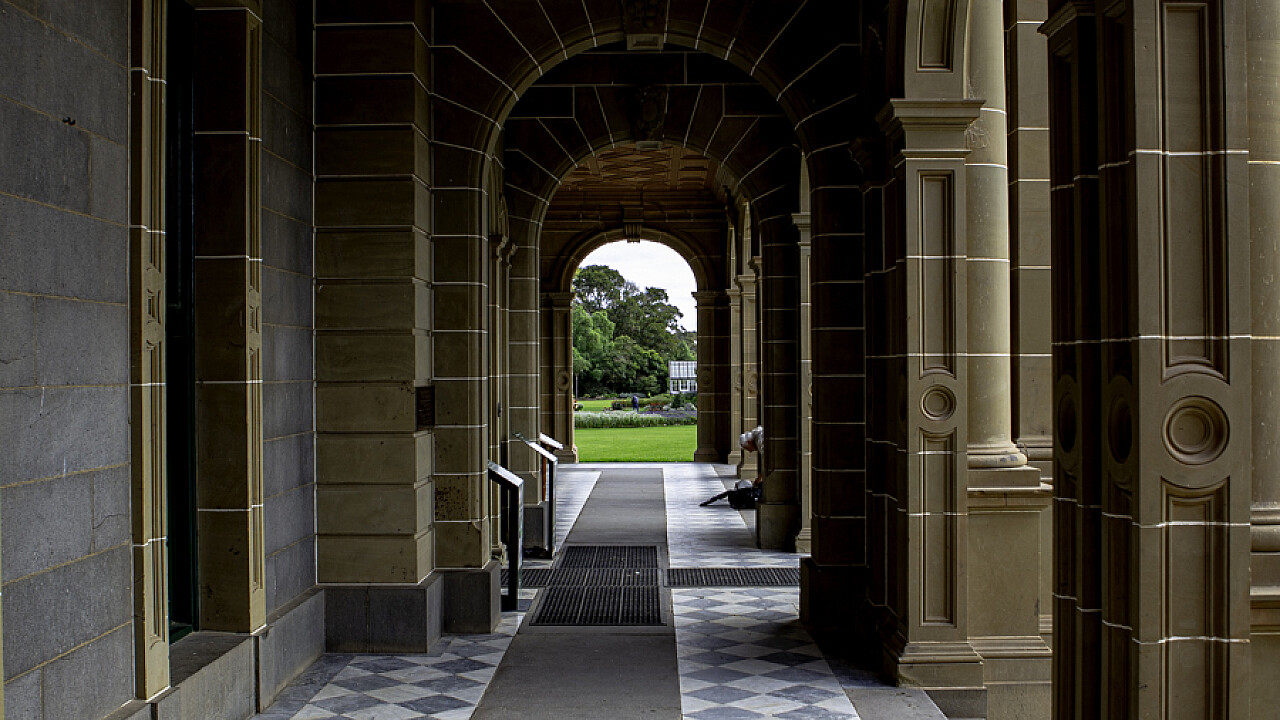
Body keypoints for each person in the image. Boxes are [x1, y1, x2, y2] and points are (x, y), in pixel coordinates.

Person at [699, 426, 764, 507]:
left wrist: (760, 478)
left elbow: (769, 463)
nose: (750, 451)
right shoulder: (759, 440)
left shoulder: (760, 441)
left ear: (749, 441)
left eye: (748, 449)